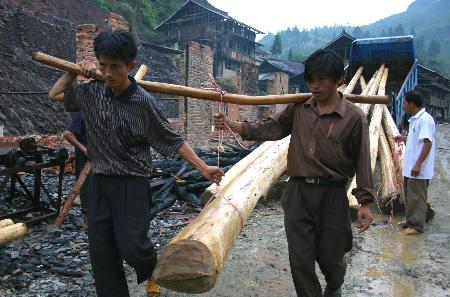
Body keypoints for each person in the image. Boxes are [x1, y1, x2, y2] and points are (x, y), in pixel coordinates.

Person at [48, 31, 223, 297]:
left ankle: (153, 272)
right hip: (98, 182)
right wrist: (74, 72)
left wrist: (204, 168)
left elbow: (172, 141)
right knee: (101, 251)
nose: (107, 73)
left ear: (130, 66)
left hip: (131, 183)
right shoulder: (92, 92)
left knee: (132, 246)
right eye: (103, 65)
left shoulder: (144, 104)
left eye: (114, 67)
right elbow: (55, 93)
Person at [214, 49, 374, 297]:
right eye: (311, 79)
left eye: (322, 79)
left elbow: (363, 159)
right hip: (298, 193)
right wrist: (235, 125)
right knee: (300, 259)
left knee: (331, 257)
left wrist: (364, 201)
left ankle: (334, 284)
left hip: (332, 195)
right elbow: (272, 129)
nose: (315, 85)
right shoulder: (299, 108)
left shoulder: (354, 118)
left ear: (339, 80)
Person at [394, 90, 435, 235]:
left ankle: (417, 226)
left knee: (417, 197)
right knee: (410, 195)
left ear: (412, 104)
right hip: (411, 166)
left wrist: (418, 164)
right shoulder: (415, 119)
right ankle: (410, 221)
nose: (403, 105)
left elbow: (427, 143)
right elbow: (416, 139)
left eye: (404, 103)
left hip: (418, 167)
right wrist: (403, 138)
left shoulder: (425, 120)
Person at [63, 112, 89, 228]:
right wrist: (84, 149)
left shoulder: (100, 113)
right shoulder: (81, 114)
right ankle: (87, 220)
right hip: (85, 159)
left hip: (98, 159)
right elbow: (67, 134)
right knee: (86, 187)